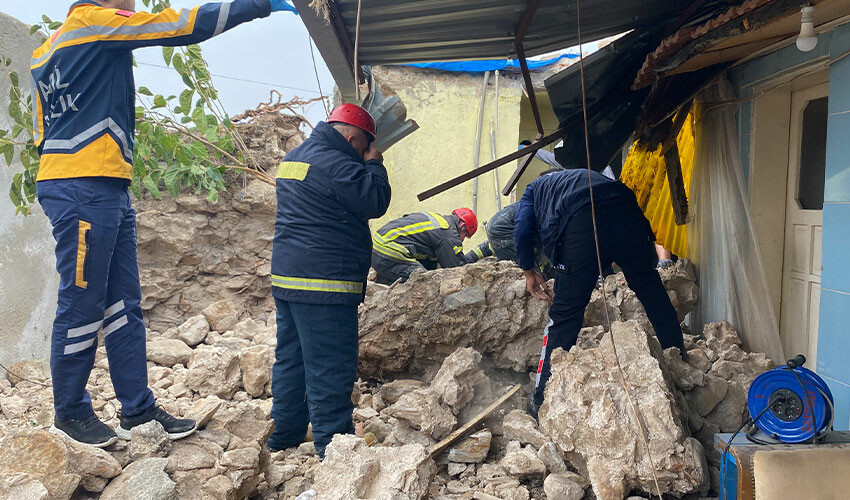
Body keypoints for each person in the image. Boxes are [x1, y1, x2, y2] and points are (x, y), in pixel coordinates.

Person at [32, 0, 295, 448]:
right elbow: (177, 25)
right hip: (84, 187)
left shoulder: (45, 50)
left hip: (98, 183)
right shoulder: (97, 25)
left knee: (123, 305)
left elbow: (42, 131)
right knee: (81, 304)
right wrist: (254, 5)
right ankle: (70, 412)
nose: (134, 4)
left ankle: (137, 409)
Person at [267, 104, 390, 459]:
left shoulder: (296, 156)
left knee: (292, 360)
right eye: (363, 146)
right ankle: (334, 448)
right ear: (353, 139)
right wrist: (375, 163)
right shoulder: (337, 163)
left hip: (288, 278)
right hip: (324, 284)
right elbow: (376, 200)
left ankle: (286, 433)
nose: (364, 152)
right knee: (329, 366)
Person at [515, 169, 685, 419]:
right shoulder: (585, 176)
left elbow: (522, 228)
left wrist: (529, 271)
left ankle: (541, 398)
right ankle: (678, 356)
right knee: (651, 290)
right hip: (627, 213)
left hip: (582, 221)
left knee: (565, 315)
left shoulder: (533, 189)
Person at [372, 208, 477, 284]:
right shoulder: (449, 236)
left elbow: (433, 263)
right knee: (425, 282)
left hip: (377, 248)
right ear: (462, 226)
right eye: (466, 235)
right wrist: (480, 252)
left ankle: (384, 280)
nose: (462, 240)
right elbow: (456, 269)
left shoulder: (438, 221)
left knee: (426, 271)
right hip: (388, 252)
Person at [463, 202, 554, 279]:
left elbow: (488, 247)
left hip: (497, 224)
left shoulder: (535, 206)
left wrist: (467, 259)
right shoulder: (545, 228)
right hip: (507, 227)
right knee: (531, 274)